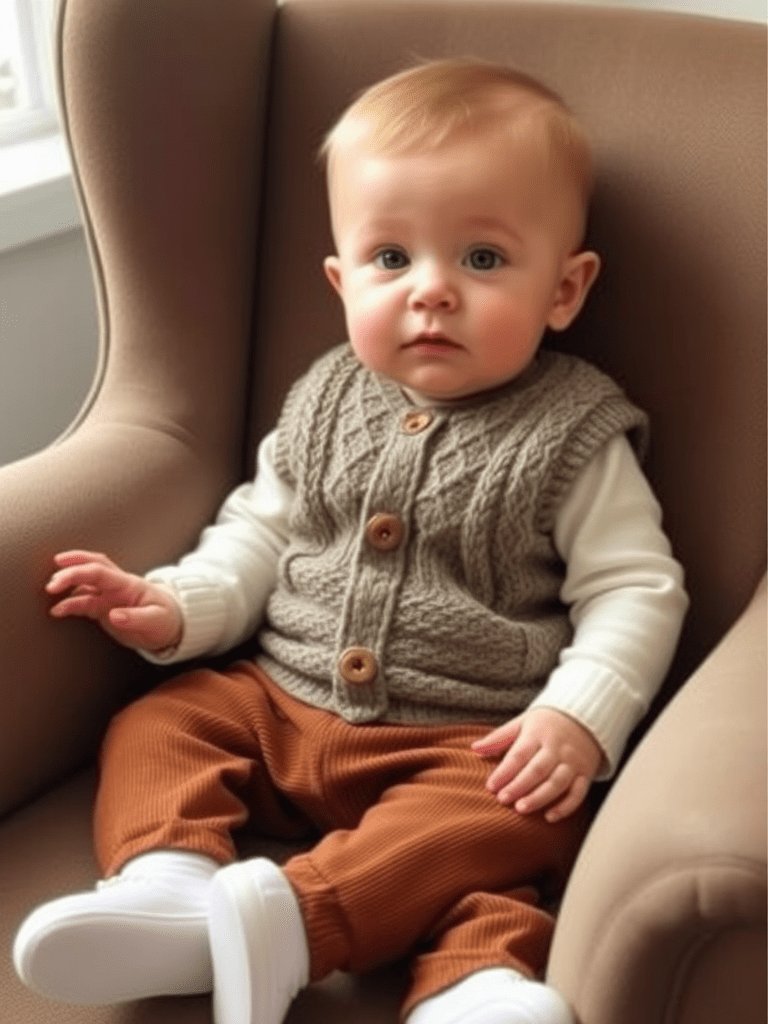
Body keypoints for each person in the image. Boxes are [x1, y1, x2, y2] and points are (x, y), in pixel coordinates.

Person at [13, 58, 687, 1024]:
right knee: (160, 723)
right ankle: (171, 887)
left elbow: (634, 588)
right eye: (391, 258)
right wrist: (176, 604)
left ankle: (447, 978)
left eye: (483, 259)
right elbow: (258, 533)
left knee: (513, 823)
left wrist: (578, 717)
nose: (432, 292)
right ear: (341, 280)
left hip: (464, 738)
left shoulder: (575, 432)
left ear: (565, 289)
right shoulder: (326, 396)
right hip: (279, 704)